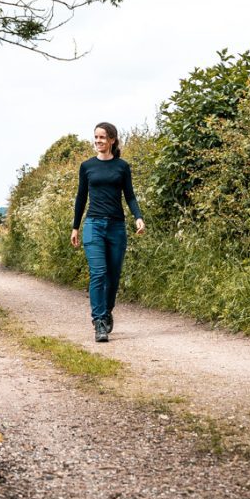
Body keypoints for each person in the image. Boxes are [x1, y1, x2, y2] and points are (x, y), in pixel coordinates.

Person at [70, 121, 145, 342]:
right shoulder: (87, 166)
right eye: (95, 137)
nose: (98, 141)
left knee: (113, 276)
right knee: (99, 273)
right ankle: (99, 321)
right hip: (93, 225)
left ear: (112, 139)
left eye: (102, 137)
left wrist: (138, 217)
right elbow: (81, 197)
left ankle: (107, 309)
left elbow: (129, 196)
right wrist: (75, 227)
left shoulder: (122, 166)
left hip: (116, 227)